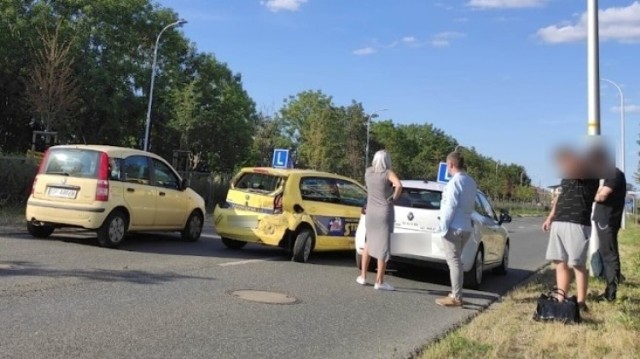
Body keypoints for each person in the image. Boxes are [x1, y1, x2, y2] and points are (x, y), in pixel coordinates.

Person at [542, 148, 599, 312]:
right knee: (559, 262)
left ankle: (581, 302)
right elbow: (561, 195)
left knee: (577, 263)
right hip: (560, 220)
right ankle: (561, 298)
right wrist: (551, 216)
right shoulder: (567, 175)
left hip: (577, 222)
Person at [434, 151, 477, 307]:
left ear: (450, 164)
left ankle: (456, 297)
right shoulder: (471, 182)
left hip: (453, 226)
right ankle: (455, 293)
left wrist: (442, 227)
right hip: (466, 226)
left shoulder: (453, 183)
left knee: (454, 262)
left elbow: (449, 207)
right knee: (457, 261)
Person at [357, 150, 402, 291]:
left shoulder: (368, 172)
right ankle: (379, 281)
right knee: (383, 246)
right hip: (384, 211)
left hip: (371, 211)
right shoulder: (388, 173)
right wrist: (393, 198)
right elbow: (399, 185)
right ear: (387, 161)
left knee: (368, 242)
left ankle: (363, 276)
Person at [591, 149, 627, 302]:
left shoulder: (614, 175)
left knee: (609, 256)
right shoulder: (608, 176)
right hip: (604, 220)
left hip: (607, 221)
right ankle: (610, 287)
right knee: (608, 254)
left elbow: (602, 195)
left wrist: (590, 195)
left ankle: (611, 292)